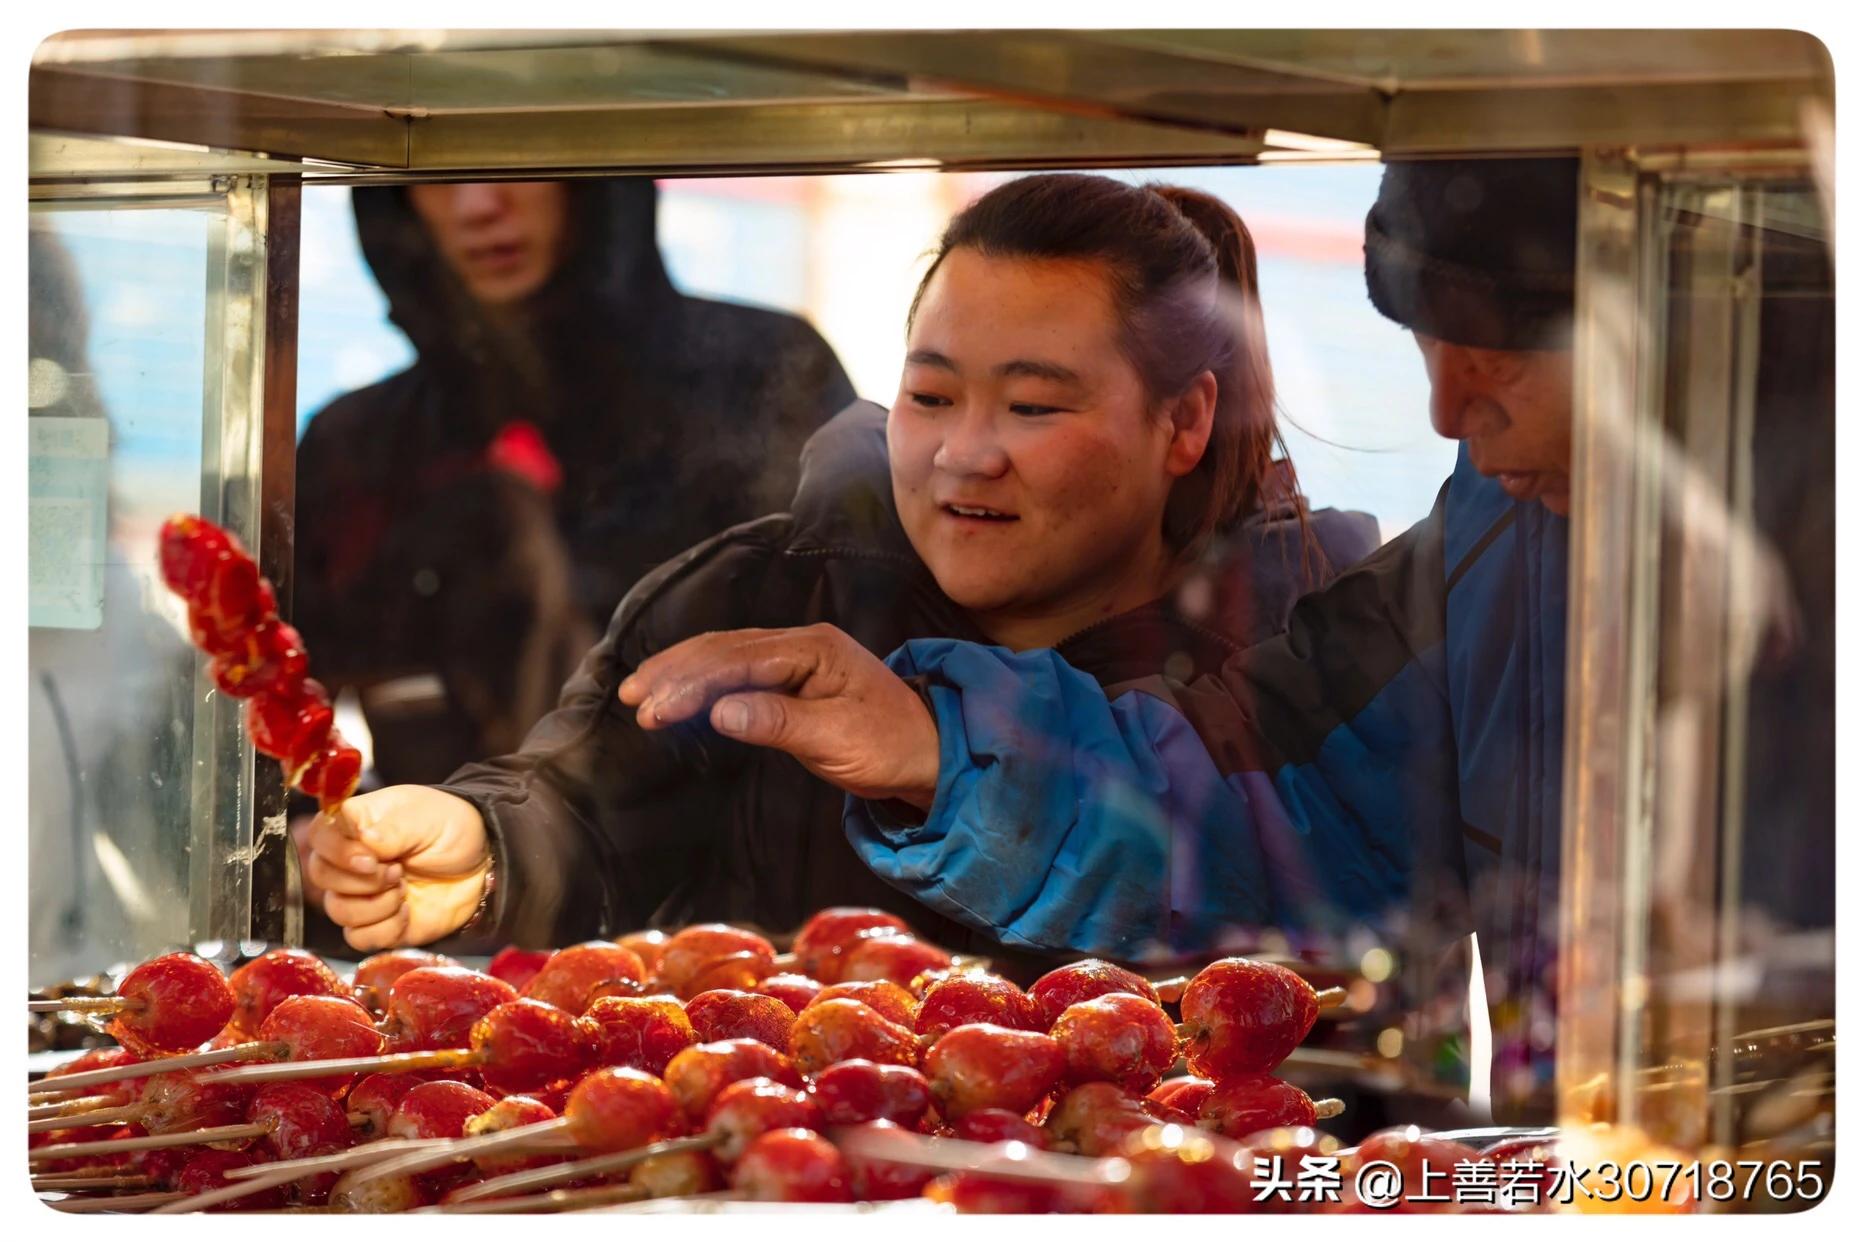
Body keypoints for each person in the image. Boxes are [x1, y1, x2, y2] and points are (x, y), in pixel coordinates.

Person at [608, 157, 1831, 1115]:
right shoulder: (1489, 536)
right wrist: (940, 749)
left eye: (1506, 352)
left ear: (1699, 310)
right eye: (1422, 342)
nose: (1447, 410)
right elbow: (1279, 810)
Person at [300, 173, 1380, 964]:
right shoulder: (761, 598)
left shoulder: (1305, 656)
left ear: (1183, 420)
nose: (965, 453)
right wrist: (482, 848)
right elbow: (590, 805)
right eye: (933, 394)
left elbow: (1338, 960)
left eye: (1035, 405)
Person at [293, 179, 857, 786]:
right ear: (396, 201)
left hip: (732, 868)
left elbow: (865, 658)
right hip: (438, 868)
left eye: (516, 160)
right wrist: (308, 840)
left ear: (593, 180)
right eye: (437, 172)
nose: (480, 204)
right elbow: (265, 703)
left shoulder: (765, 376)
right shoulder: (362, 443)